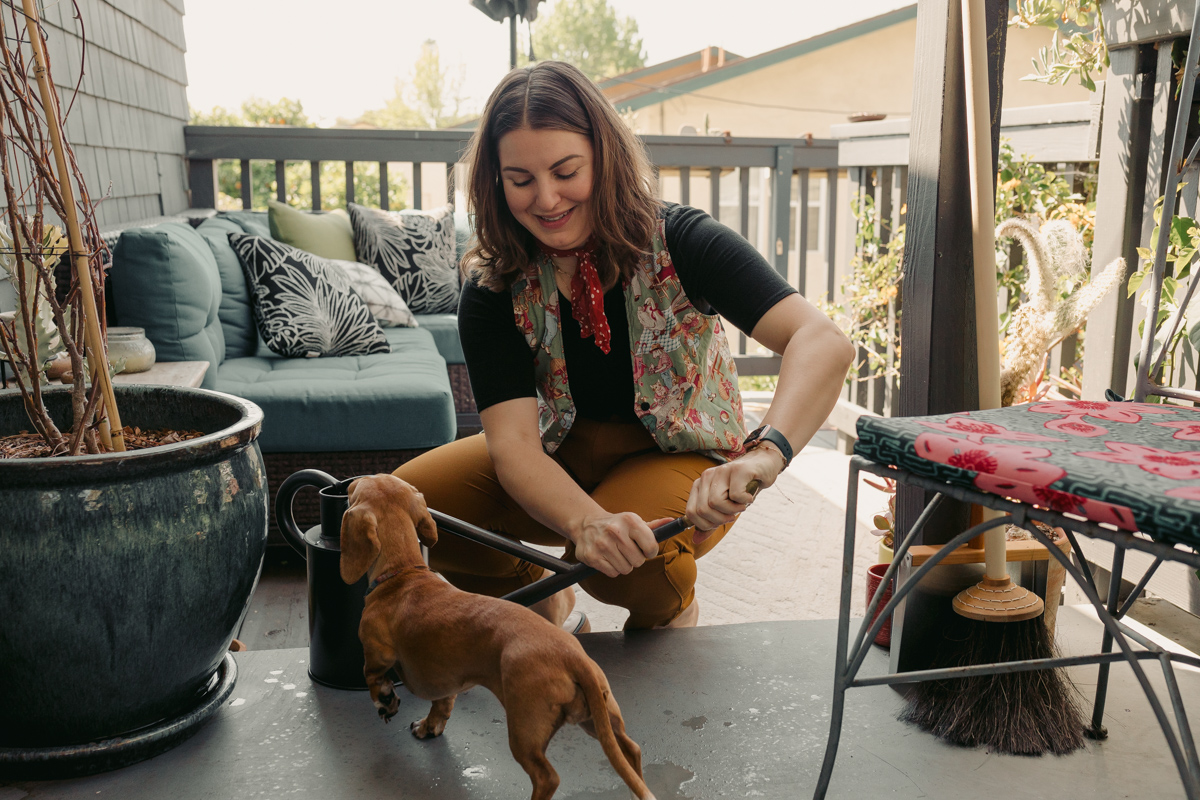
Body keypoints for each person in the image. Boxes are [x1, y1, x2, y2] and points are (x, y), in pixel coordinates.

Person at [393, 61, 853, 632]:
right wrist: (584, 521)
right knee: (403, 511)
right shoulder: (493, 282)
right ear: (495, 181)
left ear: (603, 157)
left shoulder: (682, 239)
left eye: (566, 171)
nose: (547, 199)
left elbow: (822, 340)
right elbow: (514, 448)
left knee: (623, 566)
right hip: (558, 449)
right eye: (520, 180)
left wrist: (766, 452)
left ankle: (674, 615)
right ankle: (542, 601)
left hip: (678, 453)